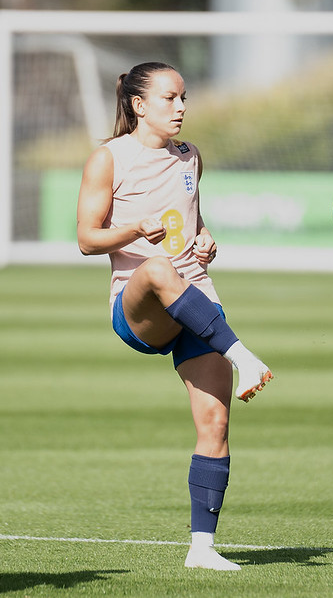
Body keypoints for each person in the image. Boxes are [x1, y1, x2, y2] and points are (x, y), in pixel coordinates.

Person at [76, 62, 273, 571]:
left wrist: (206, 240)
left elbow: (193, 221)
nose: (181, 107)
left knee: (215, 422)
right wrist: (134, 229)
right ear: (139, 105)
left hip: (197, 299)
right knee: (161, 268)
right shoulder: (109, 159)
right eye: (170, 98)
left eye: (184, 97)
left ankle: (202, 550)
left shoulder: (191, 157)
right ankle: (245, 357)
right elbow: (86, 239)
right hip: (139, 304)